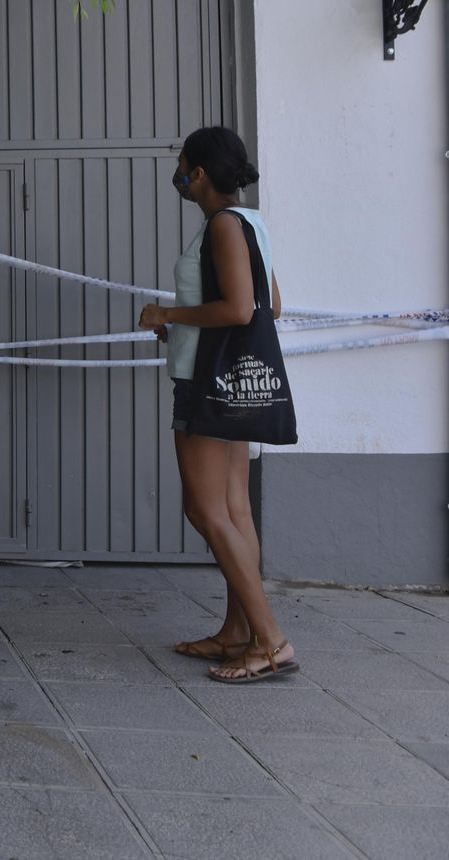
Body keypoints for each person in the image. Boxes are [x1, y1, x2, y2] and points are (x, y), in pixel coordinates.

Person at [140, 126, 297, 682]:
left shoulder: (222, 227)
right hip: (228, 381)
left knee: (205, 510)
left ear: (199, 174)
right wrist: (183, 328)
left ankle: (271, 640)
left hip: (206, 384)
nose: (178, 176)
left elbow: (237, 310)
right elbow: (269, 304)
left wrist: (168, 316)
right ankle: (237, 631)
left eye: (183, 166)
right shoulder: (250, 223)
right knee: (234, 511)